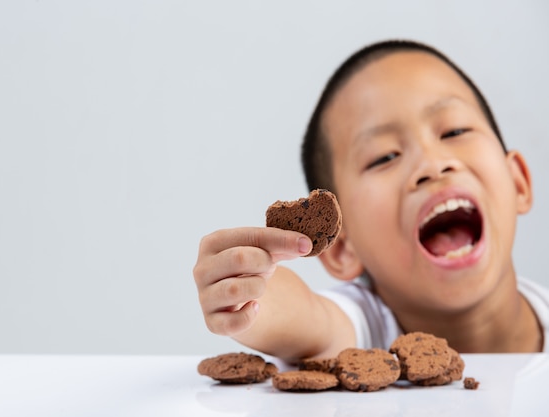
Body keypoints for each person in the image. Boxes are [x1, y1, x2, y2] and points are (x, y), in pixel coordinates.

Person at [192, 39, 549, 363]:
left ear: (518, 182)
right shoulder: (361, 333)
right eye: (384, 157)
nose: (431, 165)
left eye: (454, 131)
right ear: (342, 246)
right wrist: (247, 291)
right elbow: (303, 316)